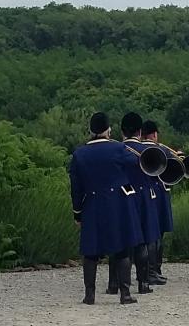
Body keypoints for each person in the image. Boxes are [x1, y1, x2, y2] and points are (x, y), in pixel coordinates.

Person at [69, 112, 143, 305]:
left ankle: (89, 295)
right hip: (118, 203)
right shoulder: (119, 148)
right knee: (121, 249)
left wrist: (77, 212)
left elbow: (76, 188)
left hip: (92, 204)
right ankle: (125, 294)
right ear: (108, 129)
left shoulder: (79, 154)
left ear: (91, 130)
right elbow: (137, 163)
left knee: (91, 251)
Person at [105, 112, 161, 295]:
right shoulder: (150, 150)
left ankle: (114, 283)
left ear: (122, 131)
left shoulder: (115, 150)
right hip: (144, 197)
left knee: (119, 241)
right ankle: (143, 283)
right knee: (143, 241)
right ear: (139, 131)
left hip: (121, 197)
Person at [141, 119, 172, 285]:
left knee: (151, 233)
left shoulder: (137, 149)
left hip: (145, 194)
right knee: (157, 234)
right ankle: (154, 270)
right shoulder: (162, 150)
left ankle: (150, 270)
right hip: (160, 194)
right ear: (154, 134)